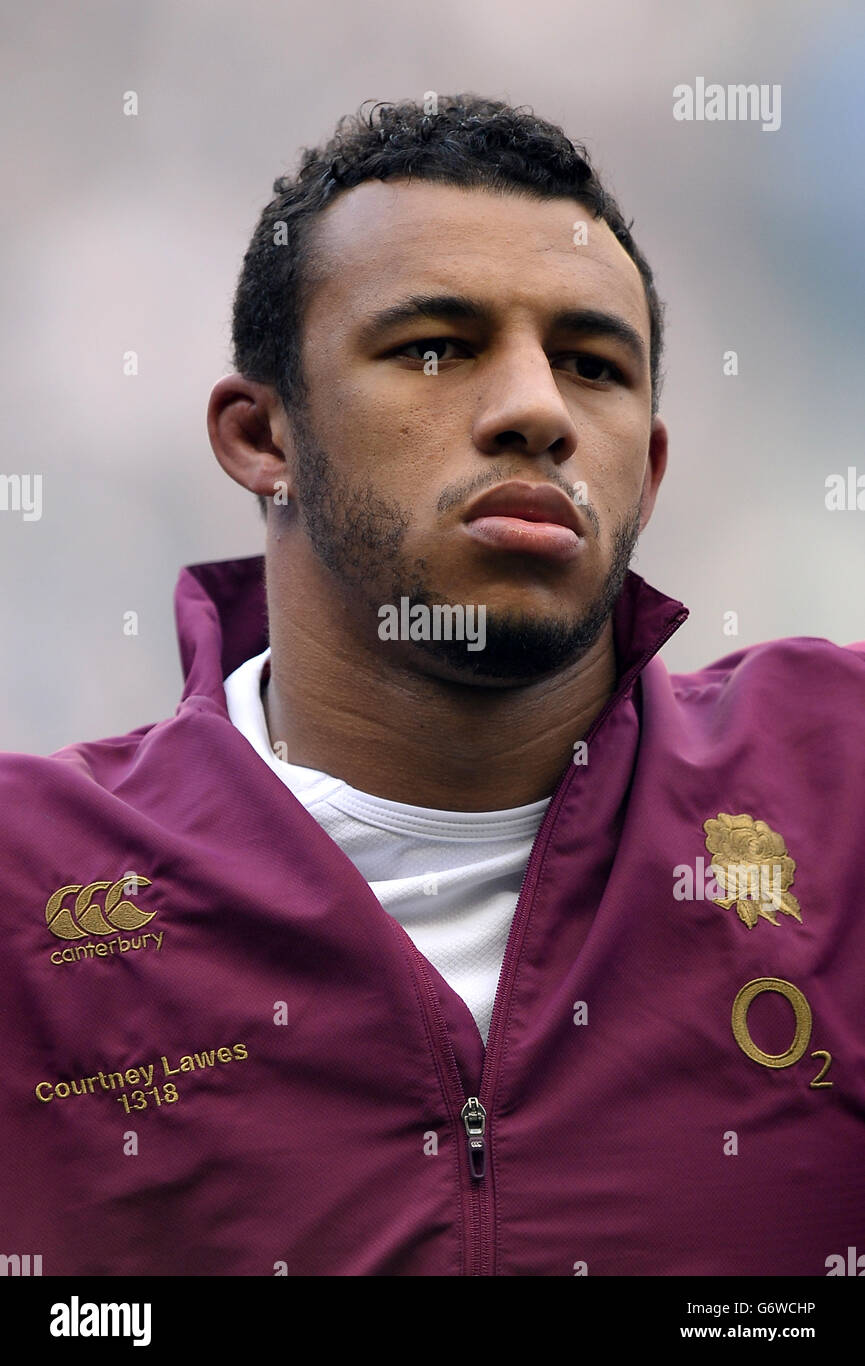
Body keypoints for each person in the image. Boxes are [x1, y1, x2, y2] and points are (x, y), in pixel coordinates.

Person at [2, 95, 863, 1278]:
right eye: (435, 347)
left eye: (592, 366)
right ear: (263, 436)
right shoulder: (31, 886)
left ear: (650, 470)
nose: (536, 412)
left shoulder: (838, 783)